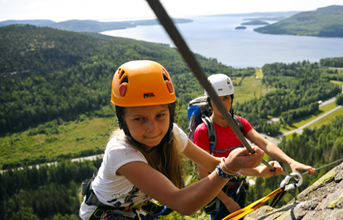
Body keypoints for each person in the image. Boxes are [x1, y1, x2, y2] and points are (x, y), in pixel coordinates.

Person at [79, 60, 271, 220]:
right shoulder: (121, 153)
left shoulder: (171, 133)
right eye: (139, 119)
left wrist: (255, 169)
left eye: (160, 115)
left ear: (170, 113)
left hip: (133, 212)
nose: (152, 128)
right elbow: (183, 204)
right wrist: (228, 167)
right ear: (122, 120)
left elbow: (213, 164)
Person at [192, 73, 315, 220]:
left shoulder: (239, 124)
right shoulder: (203, 131)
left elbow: (265, 144)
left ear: (231, 99)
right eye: (216, 99)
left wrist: (291, 162)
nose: (222, 103)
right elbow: (203, 175)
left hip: (238, 189)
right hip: (219, 196)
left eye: (226, 98)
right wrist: (227, 201)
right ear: (209, 102)